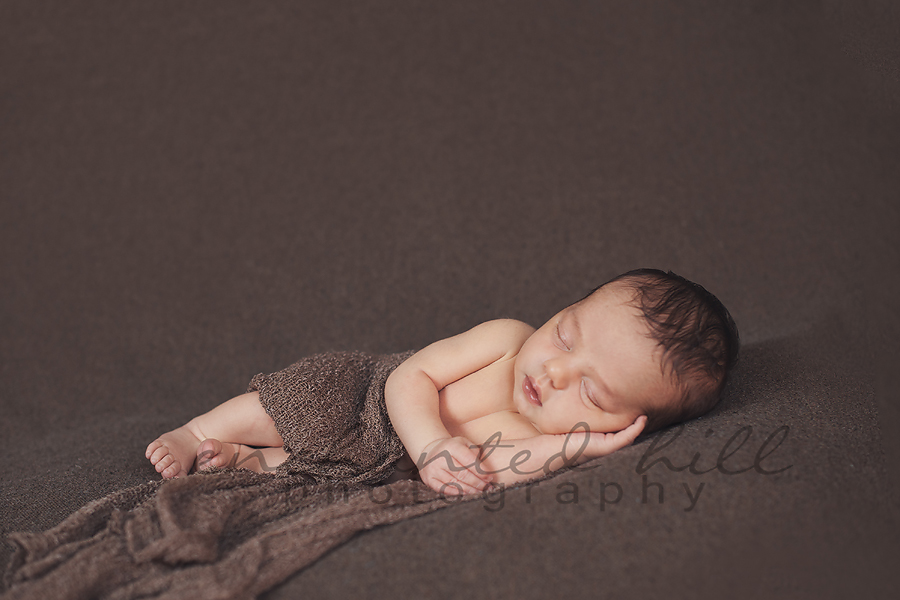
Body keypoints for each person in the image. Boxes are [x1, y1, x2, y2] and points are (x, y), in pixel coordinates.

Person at [146, 268, 739, 495]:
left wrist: (570, 447)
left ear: (626, 424)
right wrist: (430, 444)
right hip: (367, 400)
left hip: (385, 464)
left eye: (591, 394)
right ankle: (193, 431)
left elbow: (495, 472)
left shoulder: (539, 436)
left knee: (314, 481)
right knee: (280, 408)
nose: (555, 371)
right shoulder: (508, 340)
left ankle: (248, 464)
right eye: (564, 334)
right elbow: (413, 376)